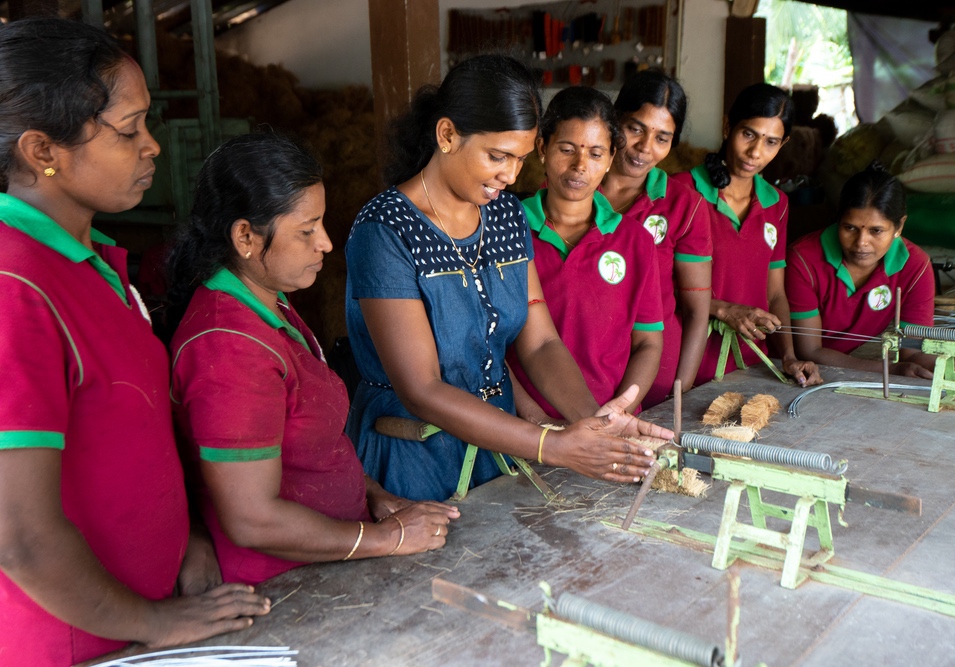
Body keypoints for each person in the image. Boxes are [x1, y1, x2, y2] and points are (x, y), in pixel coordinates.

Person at [0, 18, 268, 665]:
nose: (152, 147)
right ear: (43, 151)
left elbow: (134, 438)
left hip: (142, 619)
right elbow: (19, 536)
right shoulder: (16, 287)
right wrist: (155, 622)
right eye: (129, 130)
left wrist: (189, 536)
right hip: (77, 642)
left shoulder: (91, 263)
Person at [345, 55, 669, 503]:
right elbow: (421, 388)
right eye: (497, 156)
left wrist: (596, 422)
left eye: (519, 159)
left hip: (498, 447)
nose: (511, 175)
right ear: (446, 135)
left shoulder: (504, 214)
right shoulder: (385, 231)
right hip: (413, 453)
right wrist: (550, 445)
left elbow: (539, 342)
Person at [166, 134, 460, 586]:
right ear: (245, 235)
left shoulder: (268, 303)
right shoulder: (228, 346)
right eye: (307, 230)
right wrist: (385, 540)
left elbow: (312, 446)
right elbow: (252, 519)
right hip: (282, 584)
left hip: (329, 561)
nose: (325, 243)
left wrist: (375, 496)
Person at [509, 86, 663, 419]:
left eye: (596, 153)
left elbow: (648, 343)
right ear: (542, 149)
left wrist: (617, 413)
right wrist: (534, 419)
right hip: (523, 427)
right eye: (567, 149)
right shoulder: (507, 230)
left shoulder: (635, 241)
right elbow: (491, 346)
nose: (580, 165)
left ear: (610, 160)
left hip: (609, 422)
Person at [673, 83, 822, 387]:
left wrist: (789, 356)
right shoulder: (681, 191)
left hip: (752, 364)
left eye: (771, 142)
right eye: (748, 134)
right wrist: (721, 308)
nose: (755, 152)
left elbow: (776, 294)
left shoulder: (776, 204)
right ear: (728, 126)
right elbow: (653, 287)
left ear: (784, 143)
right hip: (685, 363)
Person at [601, 70, 713, 404]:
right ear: (614, 120)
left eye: (662, 138)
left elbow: (696, 310)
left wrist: (682, 389)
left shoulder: (684, 206)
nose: (644, 148)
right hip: (580, 373)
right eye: (635, 128)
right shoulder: (571, 189)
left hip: (655, 383)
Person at [786, 162, 936, 377]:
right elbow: (810, 350)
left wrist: (944, 369)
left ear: (899, 227)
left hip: (847, 368)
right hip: (792, 371)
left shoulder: (915, 266)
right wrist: (891, 370)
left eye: (876, 231)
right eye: (850, 228)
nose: (861, 243)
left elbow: (911, 350)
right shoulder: (803, 259)